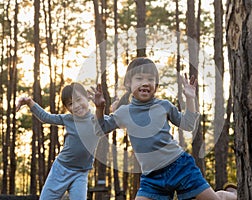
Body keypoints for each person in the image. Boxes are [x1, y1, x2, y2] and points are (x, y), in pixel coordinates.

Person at [92, 57, 237, 200]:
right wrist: (99, 108)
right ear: (128, 83)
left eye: (150, 79)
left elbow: (187, 124)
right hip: (152, 178)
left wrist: (190, 98)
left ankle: (228, 195)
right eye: (139, 79)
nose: (145, 83)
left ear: (156, 85)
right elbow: (100, 129)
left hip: (180, 167)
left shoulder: (164, 106)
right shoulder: (124, 112)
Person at [16, 82, 101, 200]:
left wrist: (102, 106)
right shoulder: (68, 119)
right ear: (67, 108)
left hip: (81, 173)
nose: (76, 106)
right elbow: (46, 117)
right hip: (61, 169)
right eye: (71, 104)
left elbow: (114, 121)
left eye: (78, 100)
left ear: (87, 98)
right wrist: (30, 102)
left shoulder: (98, 121)